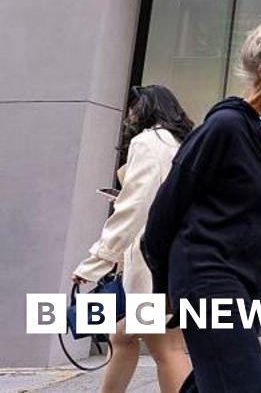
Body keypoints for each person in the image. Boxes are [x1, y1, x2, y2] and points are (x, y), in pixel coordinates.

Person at [142, 20, 261, 392]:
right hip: (205, 275)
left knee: (218, 380)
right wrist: (165, 289)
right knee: (246, 385)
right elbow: (165, 211)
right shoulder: (224, 127)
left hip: (247, 284)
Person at [71, 85, 194, 393]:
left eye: (132, 109)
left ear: (146, 109)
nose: (128, 117)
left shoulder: (149, 142)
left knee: (167, 349)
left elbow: (134, 206)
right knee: (123, 337)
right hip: (178, 258)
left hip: (155, 264)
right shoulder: (184, 143)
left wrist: (96, 262)